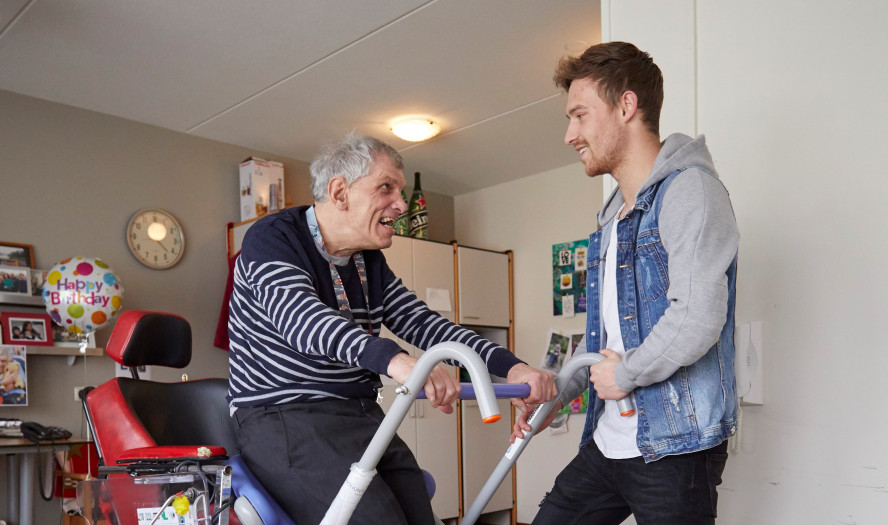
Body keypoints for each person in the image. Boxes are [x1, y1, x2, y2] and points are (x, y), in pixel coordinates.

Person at [227, 132, 556, 525]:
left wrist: (513, 367)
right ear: (340, 191)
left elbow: (423, 323)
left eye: (400, 191)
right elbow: (303, 320)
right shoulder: (273, 237)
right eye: (386, 188)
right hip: (284, 416)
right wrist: (398, 363)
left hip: (359, 414)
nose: (400, 205)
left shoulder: (368, 260)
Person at [512, 42, 739, 524]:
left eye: (579, 115)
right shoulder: (613, 218)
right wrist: (554, 397)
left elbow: (698, 316)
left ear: (626, 106)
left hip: (674, 449)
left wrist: (628, 373)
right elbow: (605, 344)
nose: (569, 134)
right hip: (607, 441)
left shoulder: (690, 192)